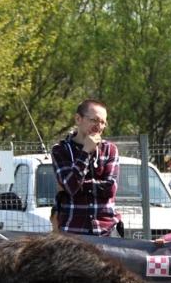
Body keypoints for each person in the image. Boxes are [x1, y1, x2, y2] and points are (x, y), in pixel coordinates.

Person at [50, 99, 123, 236]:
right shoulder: (60, 150)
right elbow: (71, 186)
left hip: (107, 231)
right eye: (94, 120)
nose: (99, 126)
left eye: (102, 122)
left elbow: (110, 188)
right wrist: (85, 152)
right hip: (73, 232)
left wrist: (74, 186)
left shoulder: (110, 150)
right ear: (78, 119)